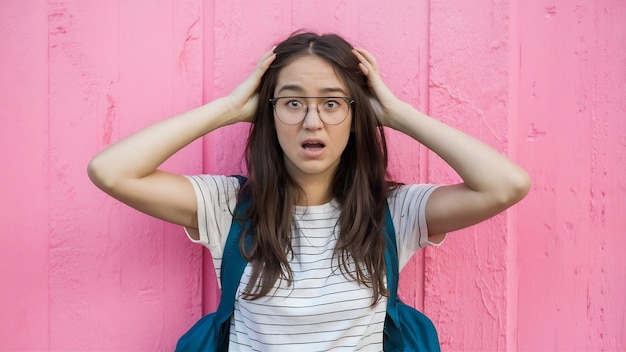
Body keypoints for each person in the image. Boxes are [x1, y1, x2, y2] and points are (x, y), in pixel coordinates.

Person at [88, 31, 530, 351]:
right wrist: (227, 109)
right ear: (270, 112)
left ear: (357, 117)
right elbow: (111, 171)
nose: (312, 122)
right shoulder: (227, 208)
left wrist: (395, 113)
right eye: (293, 102)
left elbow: (505, 185)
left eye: (332, 103)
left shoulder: (394, 212)